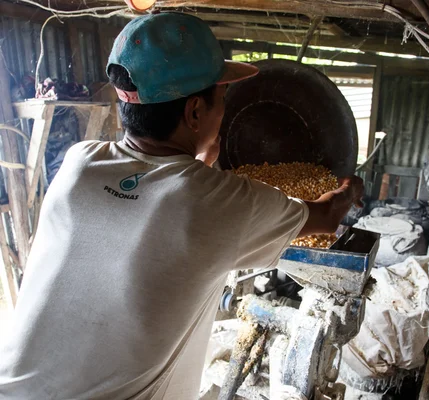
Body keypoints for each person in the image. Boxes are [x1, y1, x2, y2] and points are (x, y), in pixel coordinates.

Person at [0, 12, 363, 399]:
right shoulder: (221, 200)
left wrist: (200, 162)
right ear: (194, 112)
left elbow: (156, 194)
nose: (223, 113)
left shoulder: (79, 162)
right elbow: (325, 217)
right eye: (221, 100)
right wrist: (348, 189)